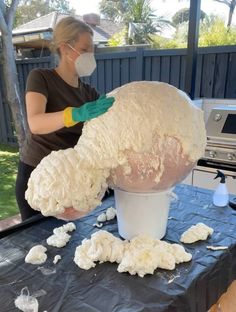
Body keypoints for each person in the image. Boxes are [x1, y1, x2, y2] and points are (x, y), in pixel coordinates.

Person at [15, 16, 114, 221]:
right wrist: (76, 114)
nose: (91, 55)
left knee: (66, 243)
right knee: (36, 243)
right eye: (85, 49)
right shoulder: (41, 77)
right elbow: (36, 123)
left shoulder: (88, 93)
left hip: (69, 180)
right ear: (66, 49)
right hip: (38, 175)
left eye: (92, 49)